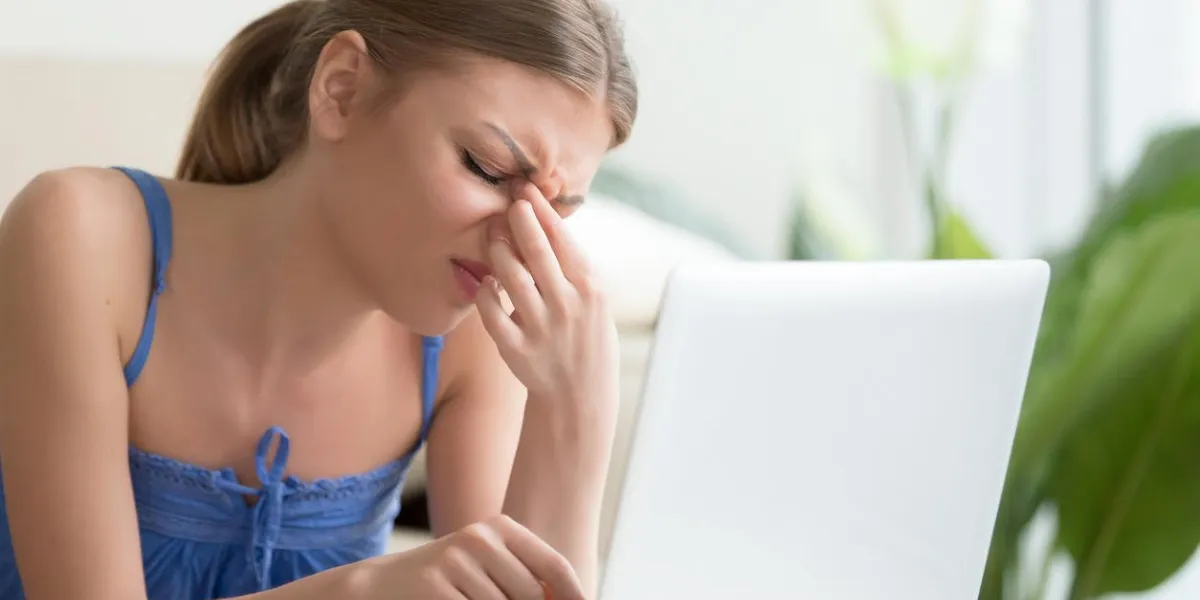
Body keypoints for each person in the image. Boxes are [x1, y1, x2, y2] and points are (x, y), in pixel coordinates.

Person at [0, 0, 637, 598]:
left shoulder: (475, 331)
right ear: (342, 89)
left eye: (556, 211)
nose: (520, 243)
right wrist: (361, 588)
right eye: (489, 168)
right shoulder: (84, 236)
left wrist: (576, 410)